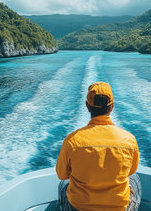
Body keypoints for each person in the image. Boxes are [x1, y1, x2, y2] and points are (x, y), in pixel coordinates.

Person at [56, 81, 141, 211]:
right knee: (135, 178)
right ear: (112, 107)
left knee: (63, 184)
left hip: (79, 207)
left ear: (87, 106)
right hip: (119, 207)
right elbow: (131, 171)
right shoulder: (129, 140)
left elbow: (62, 175)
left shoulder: (72, 141)